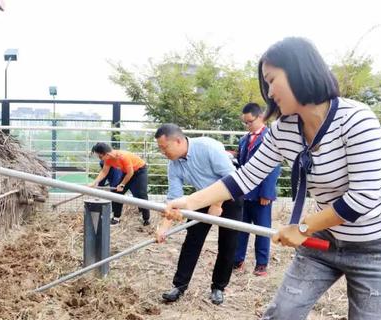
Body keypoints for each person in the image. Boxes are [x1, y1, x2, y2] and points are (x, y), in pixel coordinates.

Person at [164, 37, 381, 320]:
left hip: (378, 246)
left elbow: (365, 197)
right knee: (280, 314)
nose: (269, 91)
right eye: (266, 82)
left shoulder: (356, 119)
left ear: (301, 73)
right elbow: (243, 177)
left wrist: (302, 226)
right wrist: (188, 203)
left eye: (273, 79)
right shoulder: (285, 129)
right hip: (323, 241)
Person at [155, 124, 243, 305]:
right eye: (160, 149)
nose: (163, 152)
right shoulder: (174, 165)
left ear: (178, 141)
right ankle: (179, 286)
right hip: (201, 198)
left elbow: (231, 178)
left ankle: (218, 287)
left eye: (165, 147)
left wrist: (217, 203)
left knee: (228, 243)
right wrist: (163, 228)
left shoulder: (207, 147)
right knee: (192, 241)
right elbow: (174, 199)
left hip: (230, 196)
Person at [233, 103, 281, 276]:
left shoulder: (271, 137)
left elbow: (273, 168)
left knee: (262, 229)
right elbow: (240, 163)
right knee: (241, 227)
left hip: (261, 193)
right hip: (244, 192)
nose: (247, 125)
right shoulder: (244, 139)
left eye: (250, 122)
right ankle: (237, 259)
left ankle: (261, 263)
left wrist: (267, 192)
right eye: (245, 123)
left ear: (260, 117)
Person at [90, 142, 150, 226]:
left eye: (100, 156)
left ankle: (146, 219)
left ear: (106, 154)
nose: (100, 159)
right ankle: (116, 218)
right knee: (116, 193)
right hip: (127, 172)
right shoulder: (108, 159)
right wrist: (94, 182)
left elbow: (130, 172)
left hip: (139, 171)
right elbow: (104, 172)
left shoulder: (122, 156)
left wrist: (122, 184)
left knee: (141, 194)